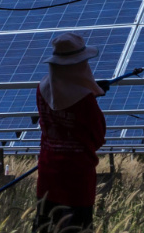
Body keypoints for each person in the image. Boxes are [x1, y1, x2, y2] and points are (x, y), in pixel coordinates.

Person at [35, 32, 108, 232]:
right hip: (77, 179)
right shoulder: (85, 101)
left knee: (46, 225)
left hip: (48, 173)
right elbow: (98, 136)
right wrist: (91, 96)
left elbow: (50, 119)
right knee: (78, 227)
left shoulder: (41, 89)